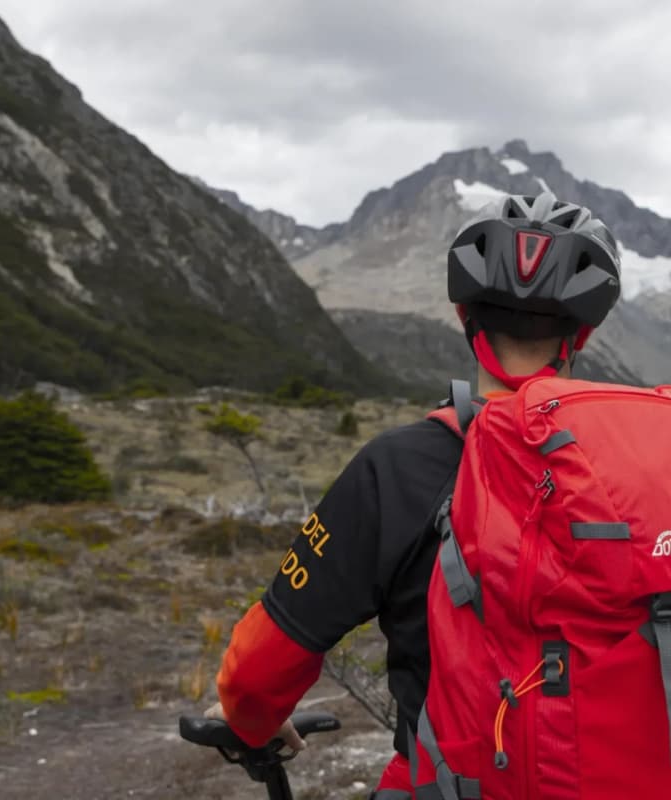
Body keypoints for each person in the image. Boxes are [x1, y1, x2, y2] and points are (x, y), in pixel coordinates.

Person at [204, 191, 625, 795]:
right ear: (581, 335)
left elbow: (263, 666)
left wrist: (250, 719)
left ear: (464, 318)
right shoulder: (642, 469)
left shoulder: (400, 466)